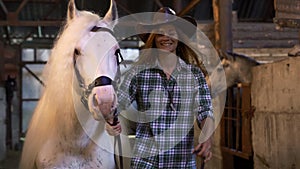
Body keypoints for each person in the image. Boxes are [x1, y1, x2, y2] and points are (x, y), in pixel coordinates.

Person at [105, 7, 214, 169]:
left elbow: (205, 111)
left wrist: (207, 137)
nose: (166, 37)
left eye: (171, 32)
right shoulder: (138, 73)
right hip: (146, 160)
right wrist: (111, 123)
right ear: (153, 38)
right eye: (160, 33)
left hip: (181, 161)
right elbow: (118, 104)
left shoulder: (194, 75)